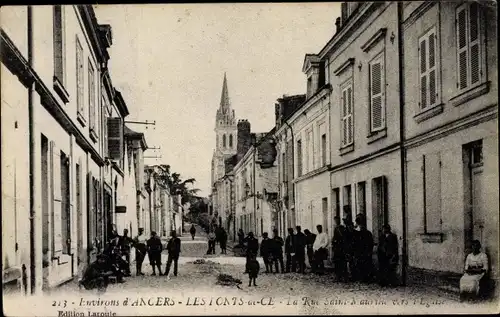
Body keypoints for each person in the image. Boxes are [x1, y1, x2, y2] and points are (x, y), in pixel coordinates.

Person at [355, 215, 374, 282]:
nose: (361, 226)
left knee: (365, 265)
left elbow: (371, 243)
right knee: (361, 265)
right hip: (361, 252)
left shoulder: (367, 233)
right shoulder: (358, 233)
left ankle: (365, 278)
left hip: (364, 252)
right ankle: (363, 278)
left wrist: (369, 251)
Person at [332, 216, 347, 281]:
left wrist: (335, 241)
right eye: (335, 220)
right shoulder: (337, 228)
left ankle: (343, 276)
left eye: (336, 220)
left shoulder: (341, 228)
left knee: (342, 262)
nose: (336, 221)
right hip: (338, 248)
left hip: (340, 247)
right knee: (337, 262)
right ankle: (338, 276)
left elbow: (343, 238)